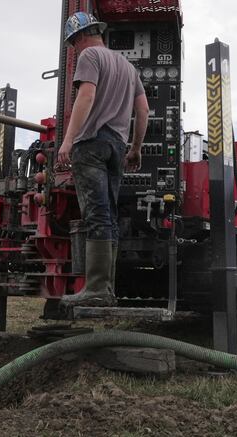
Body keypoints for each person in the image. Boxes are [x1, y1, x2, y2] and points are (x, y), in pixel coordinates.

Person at [56, 12, 149, 307]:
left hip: (92, 145)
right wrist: (135, 149)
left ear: (78, 37)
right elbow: (144, 111)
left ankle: (95, 289)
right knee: (108, 214)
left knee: (96, 214)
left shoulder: (89, 57)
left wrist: (68, 140)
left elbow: (86, 96)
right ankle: (106, 289)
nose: (75, 48)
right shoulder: (127, 67)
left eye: (73, 43)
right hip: (117, 148)